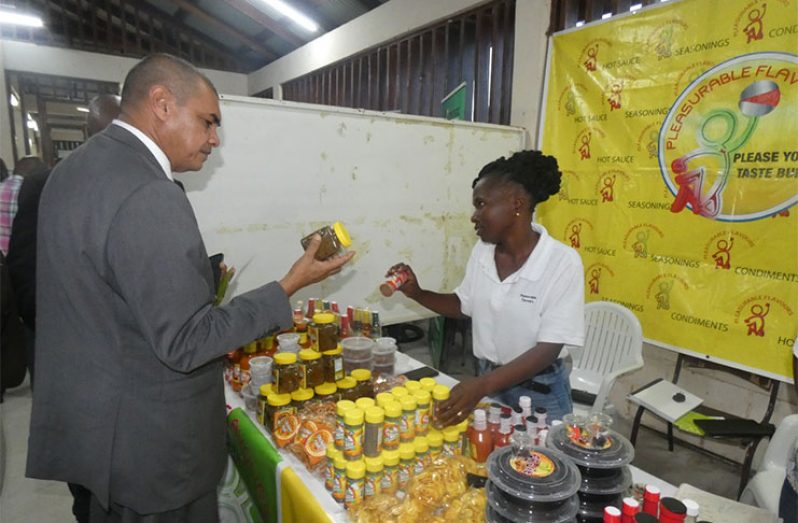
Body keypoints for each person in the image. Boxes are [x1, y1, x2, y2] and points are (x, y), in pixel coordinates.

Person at [26, 53, 354, 522]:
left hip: (95, 435)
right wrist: (288, 285)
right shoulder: (148, 191)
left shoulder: (71, 171)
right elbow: (187, 340)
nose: (214, 141)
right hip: (152, 452)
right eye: (208, 122)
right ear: (161, 103)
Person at [387, 150, 584, 425]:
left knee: (538, 463)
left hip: (539, 393)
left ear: (517, 203)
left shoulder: (561, 262)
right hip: (488, 381)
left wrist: (481, 386)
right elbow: (463, 305)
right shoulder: (482, 252)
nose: (474, 216)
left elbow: (548, 348)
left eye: (481, 204)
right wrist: (417, 293)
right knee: (485, 460)